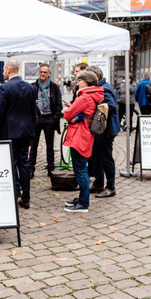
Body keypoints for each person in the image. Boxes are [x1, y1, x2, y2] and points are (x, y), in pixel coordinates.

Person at [0, 60, 36, 209]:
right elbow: (33, 111)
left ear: (9, 70)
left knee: (11, 163)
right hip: (25, 131)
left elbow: (0, 112)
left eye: (4, 69)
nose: (3, 72)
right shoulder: (29, 87)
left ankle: (14, 193)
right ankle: (26, 197)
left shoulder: (5, 88)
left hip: (9, 131)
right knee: (23, 163)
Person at [62, 70, 104, 213]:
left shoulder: (84, 97)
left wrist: (71, 113)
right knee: (81, 169)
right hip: (84, 135)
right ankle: (81, 199)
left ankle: (83, 203)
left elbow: (68, 114)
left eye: (79, 80)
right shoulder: (91, 95)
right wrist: (77, 114)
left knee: (80, 170)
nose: (77, 82)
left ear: (86, 82)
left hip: (80, 136)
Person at [87, 66, 119, 198]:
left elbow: (110, 106)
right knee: (96, 156)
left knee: (106, 157)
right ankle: (99, 183)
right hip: (102, 129)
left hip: (106, 129)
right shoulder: (102, 86)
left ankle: (110, 187)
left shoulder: (104, 88)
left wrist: (93, 106)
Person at [28, 63, 62, 178]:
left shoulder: (54, 87)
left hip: (49, 119)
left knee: (50, 146)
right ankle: (30, 169)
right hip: (37, 119)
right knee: (33, 145)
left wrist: (54, 118)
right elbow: (30, 104)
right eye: (41, 72)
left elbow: (58, 104)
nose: (42, 74)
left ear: (49, 73)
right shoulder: (33, 86)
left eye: (45, 72)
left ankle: (51, 169)